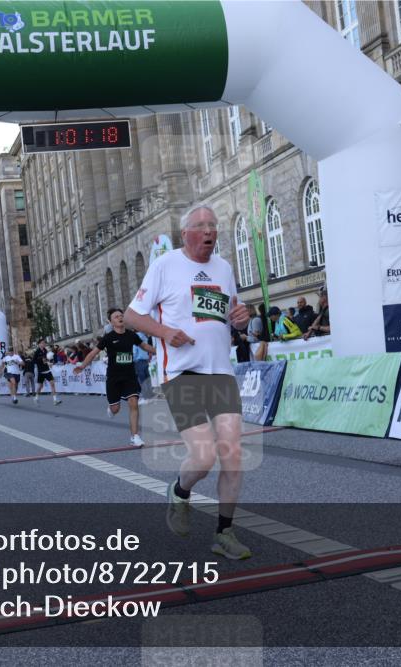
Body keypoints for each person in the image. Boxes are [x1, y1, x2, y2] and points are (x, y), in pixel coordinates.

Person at [123, 202, 253, 560]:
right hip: (182, 373)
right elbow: (133, 316)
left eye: (214, 225)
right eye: (203, 225)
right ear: (186, 234)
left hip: (221, 371)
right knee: (204, 455)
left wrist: (241, 319)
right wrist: (165, 332)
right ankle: (180, 493)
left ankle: (224, 534)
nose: (211, 231)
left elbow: (233, 318)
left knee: (233, 456)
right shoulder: (165, 266)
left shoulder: (224, 268)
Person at [76, 308, 156, 447]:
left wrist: (161, 352)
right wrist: (82, 366)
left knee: (133, 402)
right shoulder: (108, 338)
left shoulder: (131, 335)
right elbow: (93, 353)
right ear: (111, 321)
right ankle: (111, 408)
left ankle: (135, 437)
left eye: (121, 315)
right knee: (115, 409)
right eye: (116, 316)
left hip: (130, 375)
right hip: (114, 378)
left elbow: (145, 346)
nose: (120, 318)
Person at [32, 339, 62, 405]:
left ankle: (55, 400)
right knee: (40, 386)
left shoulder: (45, 350)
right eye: (42, 343)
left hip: (47, 370)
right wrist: (40, 359)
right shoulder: (37, 352)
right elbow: (34, 361)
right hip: (41, 371)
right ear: (39, 344)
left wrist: (49, 362)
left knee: (52, 383)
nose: (43, 344)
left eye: (44, 343)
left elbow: (46, 359)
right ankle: (36, 397)